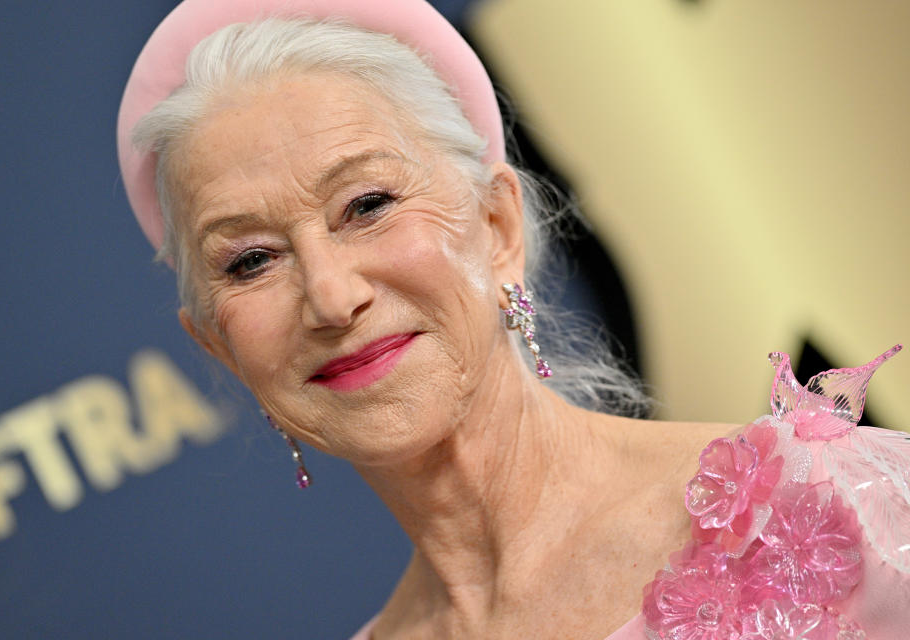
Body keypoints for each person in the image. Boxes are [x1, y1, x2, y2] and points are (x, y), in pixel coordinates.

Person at [117, 1, 910, 637]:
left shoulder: (826, 505)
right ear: (220, 345)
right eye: (251, 260)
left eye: (367, 205)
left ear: (498, 229)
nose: (330, 297)